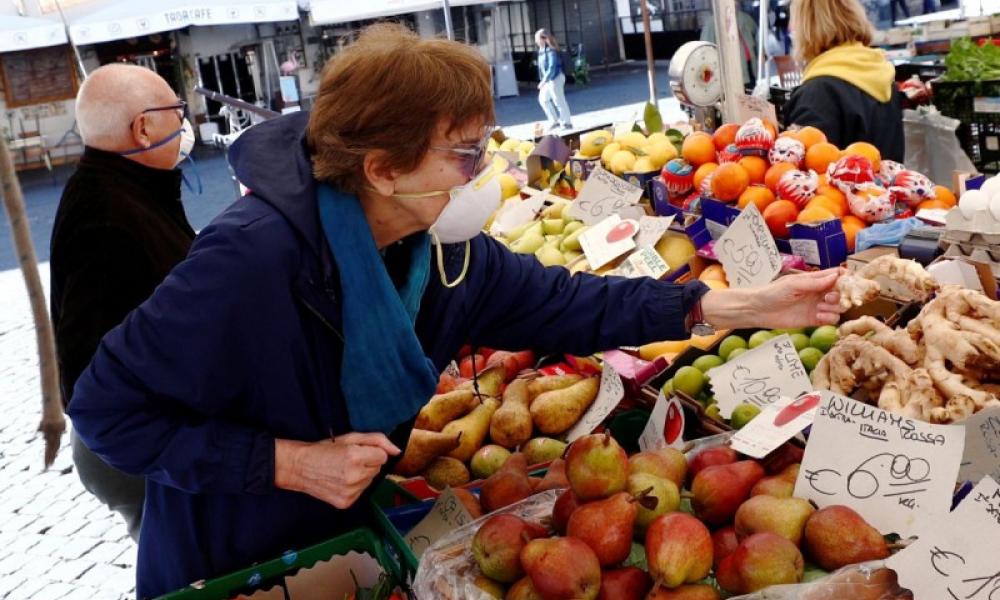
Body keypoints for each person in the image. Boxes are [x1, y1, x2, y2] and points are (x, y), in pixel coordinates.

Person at [68, 24, 847, 598]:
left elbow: (568, 302)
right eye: (467, 154)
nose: (486, 175)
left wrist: (740, 304)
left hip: (347, 534)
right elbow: (106, 411)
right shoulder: (254, 257)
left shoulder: (445, 250)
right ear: (381, 168)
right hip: (233, 554)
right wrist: (289, 462)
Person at [49, 64, 196, 542]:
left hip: (147, 439)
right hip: (136, 451)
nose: (184, 121)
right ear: (143, 128)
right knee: (176, 567)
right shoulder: (105, 218)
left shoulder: (125, 187)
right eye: (176, 110)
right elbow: (89, 367)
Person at [783, 0, 904, 161]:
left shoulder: (818, 93)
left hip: (846, 187)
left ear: (806, 28)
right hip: (889, 184)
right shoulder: (881, 73)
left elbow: (806, 173)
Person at [700, 8, 760, 87]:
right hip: (730, 69)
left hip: (750, 65)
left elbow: (758, 36)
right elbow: (705, 49)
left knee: (751, 90)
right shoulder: (712, 23)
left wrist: (761, 53)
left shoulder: (744, 18)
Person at [535, 28, 572, 131]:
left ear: (543, 39)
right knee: (543, 99)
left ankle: (566, 123)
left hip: (556, 78)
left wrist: (543, 81)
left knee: (558, 100)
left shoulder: (551, 50)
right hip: (549, 80)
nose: (536, 41)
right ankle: (554, 121)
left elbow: (552, 67)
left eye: (537, 38)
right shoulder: (541, 51)